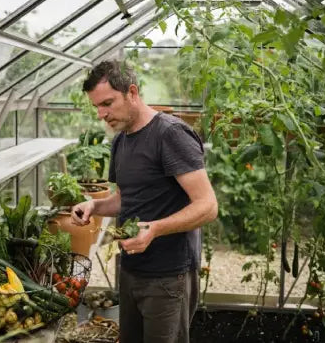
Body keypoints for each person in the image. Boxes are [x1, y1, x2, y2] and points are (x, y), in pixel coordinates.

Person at [70, 60, 218, 343]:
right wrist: (94, 206)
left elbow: (208, 206)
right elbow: (126, 199)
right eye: (97, 107)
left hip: (167, 275)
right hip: (131, 270)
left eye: (108, 103)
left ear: (132, 92)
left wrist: (156, 229)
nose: (102, 114)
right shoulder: (121, 141)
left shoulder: (170, 134)